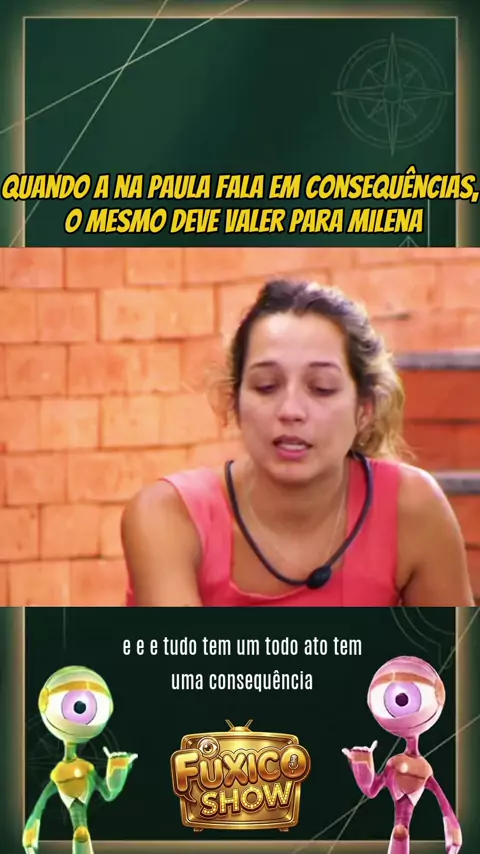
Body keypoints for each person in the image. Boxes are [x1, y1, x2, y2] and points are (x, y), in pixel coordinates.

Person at [121, 279, 475, 607]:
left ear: (364, 410)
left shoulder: (413, 509)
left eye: (321, 388)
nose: (290, 411)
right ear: (234, 402)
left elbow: (451, 653)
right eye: (266, 386)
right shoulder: (168, 515)